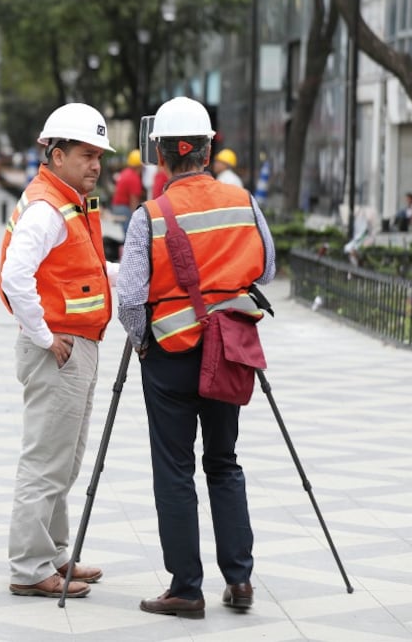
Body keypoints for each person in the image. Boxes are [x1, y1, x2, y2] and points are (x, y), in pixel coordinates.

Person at [116, 96, 276, 618]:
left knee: (175, 469)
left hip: (170, 356)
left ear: (161, 156)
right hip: (228, 349)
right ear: (208, 151)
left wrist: (143, 343)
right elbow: (267, 269)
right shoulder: (243, 202)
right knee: (224, 461)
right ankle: (240, 579)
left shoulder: (149, 216)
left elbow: (130, 298)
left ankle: (186, 588)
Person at [0, 102, 118, 599]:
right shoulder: (47, 208)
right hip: (59, 351)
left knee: (64, 461)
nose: (96, 165)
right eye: (87, 155)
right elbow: (14, 277)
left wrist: (130, 273)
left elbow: (82, 272)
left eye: (99, 156)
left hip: (75, 346)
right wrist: (45, 337)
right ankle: (30, 567)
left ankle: (54, 553)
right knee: (46, 462)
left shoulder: (67, 203)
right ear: (58, 154)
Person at [111, 149, 144, 234]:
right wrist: (137, 219)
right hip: (124, 209)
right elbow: (134, 202)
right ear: (139, 165)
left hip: (116, 207)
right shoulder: (134, 178)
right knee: (130, 233)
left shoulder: (125, 172)